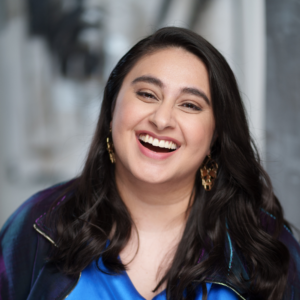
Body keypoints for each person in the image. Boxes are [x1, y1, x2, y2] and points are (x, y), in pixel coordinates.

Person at [0, 27, 299, 300]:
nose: (161, 119)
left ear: (215, 136)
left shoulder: (266, 246)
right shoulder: (38, 226)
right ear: (112, 108)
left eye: (190, 105)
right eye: (147, 94)